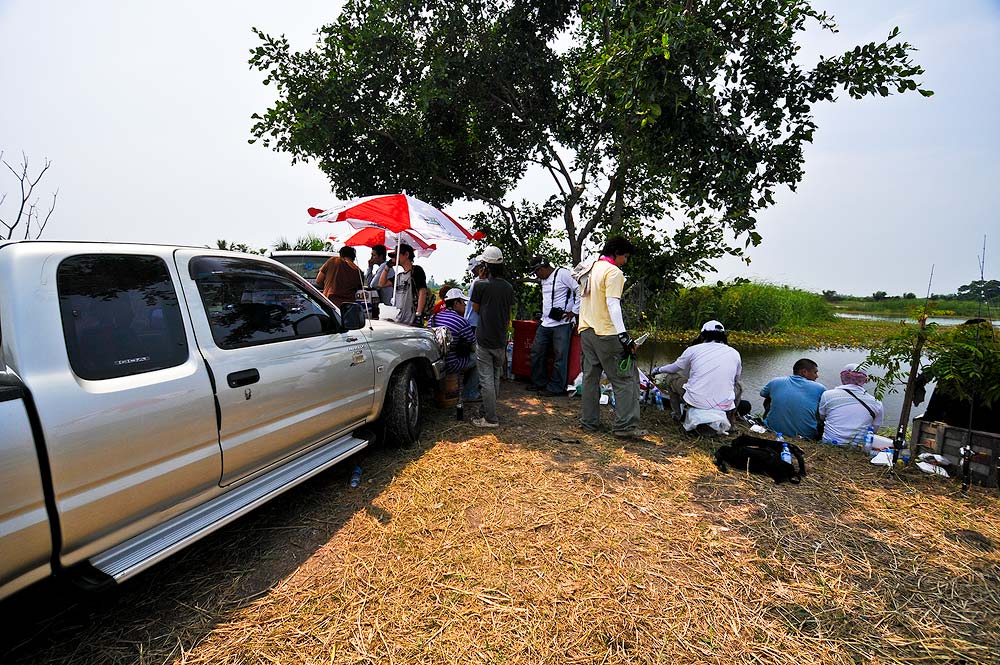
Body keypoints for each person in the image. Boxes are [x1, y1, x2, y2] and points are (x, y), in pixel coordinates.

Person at [578, 237, 648, 439]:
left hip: (587, 331)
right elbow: (613, 304)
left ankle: (589, 422)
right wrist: (624, 336)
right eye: (625, 257)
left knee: (591, 379)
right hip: (607, 333)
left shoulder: (590, 268)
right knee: (625, 379)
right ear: (616, 253)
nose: (625, 261)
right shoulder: (614, 272)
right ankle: (625, 427)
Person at [651, 320, 742, 430]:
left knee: (670, 377)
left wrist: (658, 370)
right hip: (723, 404)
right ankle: (731, 422)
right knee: (739, 386)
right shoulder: (735, 353)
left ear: (703, 335)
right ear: (723, 336)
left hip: (696, 400)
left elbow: (674, 368)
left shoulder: (693, 349)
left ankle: (677, 416)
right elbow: (736, 378)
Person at [470, 246, 514, 428]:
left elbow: (475, 308)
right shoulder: (508, 287)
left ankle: (490, 418)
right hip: (500, 339)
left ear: (485, 266)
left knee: (486, 379)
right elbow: (509, 311)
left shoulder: (480, 285)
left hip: (484, 337)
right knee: (495, 376)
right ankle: (489, 410)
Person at [527, 255, 579, 396]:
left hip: (562, 323)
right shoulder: (544, 279)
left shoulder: (563, 274)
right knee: (537, 352)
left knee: (560, 356)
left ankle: (556, 387)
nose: (537, 276)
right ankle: (540, 382)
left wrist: (574, 312)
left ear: (542, 268)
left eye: (537, 272)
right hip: (546, 322)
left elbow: (579, 289)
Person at [817, 363, 884, 444]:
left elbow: (822, 417)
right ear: (865, 380)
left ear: (842, 377)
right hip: (858, 448)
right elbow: (874, 430)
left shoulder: (828, 395)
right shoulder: (877, 403)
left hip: (830, 443)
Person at [760, 358, 826, 439]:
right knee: (822, 405)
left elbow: (763, 393)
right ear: (804, 372)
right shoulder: (819, 388)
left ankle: (775, 423)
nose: (817, 376)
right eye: (815, 372)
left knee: (769, 397)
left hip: (772, 429)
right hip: (805, 436)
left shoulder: (776, 381)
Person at [429, 288, 478, 389]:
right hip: (451, 364)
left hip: (433, 363)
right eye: (463, 302)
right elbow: (474, 345)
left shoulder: (433, 318)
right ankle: (470, 393)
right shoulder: (461, 321)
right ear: (456, 303)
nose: (465, 305)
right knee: (480, 357)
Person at [379, 243, 428, 326]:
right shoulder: (399, 276)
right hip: (398, 320)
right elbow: (381, 284)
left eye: (397, 255)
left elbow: (422, 291)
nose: (395, 258)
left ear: (406, 255)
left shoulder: (416, 271)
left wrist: (418, 314)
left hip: (412, 319)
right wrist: (387, 267)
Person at [461, 257, 485, 401]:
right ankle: (471, 392)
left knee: (474, 357)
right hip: (474, 324)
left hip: (470, 323)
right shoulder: (478, 282)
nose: (473, 272)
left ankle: (469, 388)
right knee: (477, 358)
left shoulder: (476, 281)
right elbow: (477, 307)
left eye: (474, 269)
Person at [364, 244, 395, 318]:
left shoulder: (384, 266)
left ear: (381, 256)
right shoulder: (382, 267)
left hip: (387, 305)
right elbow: (370, 284)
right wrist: (370, 267)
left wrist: (370, 268)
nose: (371, 258)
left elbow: (372, 285)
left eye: (374, 255)